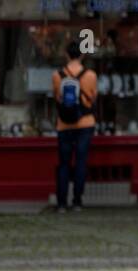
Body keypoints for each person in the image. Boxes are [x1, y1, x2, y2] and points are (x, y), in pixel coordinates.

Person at [51, 39, 97, 213]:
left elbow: (57, 98)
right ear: (83, 55)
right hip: (85, 123)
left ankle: (61, 202)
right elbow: (93, 98)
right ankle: (77, 201)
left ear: (65, 54)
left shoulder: (57, 75)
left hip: (64, 125)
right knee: (80, 162)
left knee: (63, 164)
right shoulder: (91, 75)